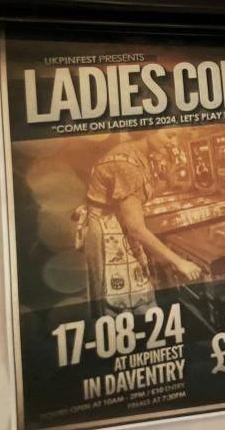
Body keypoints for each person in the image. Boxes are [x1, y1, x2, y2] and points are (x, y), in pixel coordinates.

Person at [77, 128, 204, 317]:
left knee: (136, 294)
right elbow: (136, 228)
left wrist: (169, 177)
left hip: (118, 227)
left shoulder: (138, 153)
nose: (174, 142)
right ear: (147, 132)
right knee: (120, 304)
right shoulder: (126, 163)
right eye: (170, 135)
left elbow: (140, 195)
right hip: (108, 232)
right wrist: (179, 262)